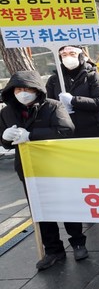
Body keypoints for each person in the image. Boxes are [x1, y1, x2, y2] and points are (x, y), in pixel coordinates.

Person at [1, 71, 77, 270]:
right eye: (18, 89)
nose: (23, 93)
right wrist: (5, 137)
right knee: (40, 210)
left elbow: (66, 130)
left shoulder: (53, 106)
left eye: (27, 89)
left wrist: (31, 135)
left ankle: (78, 242)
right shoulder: (6, 112)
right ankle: (53, 250)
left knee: (67, 205)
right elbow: (5, 142)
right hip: (29, 169)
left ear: (37, 90)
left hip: (55, 166)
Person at [46, 45, 99, 138]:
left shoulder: (94, 77)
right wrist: (60, 107)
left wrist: (73, 100)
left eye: (72, 54)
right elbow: (49, 104)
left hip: (94, 131)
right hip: (67, 132)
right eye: (64, 55)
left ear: (80, 56)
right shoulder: (54, 80)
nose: (68, 57)